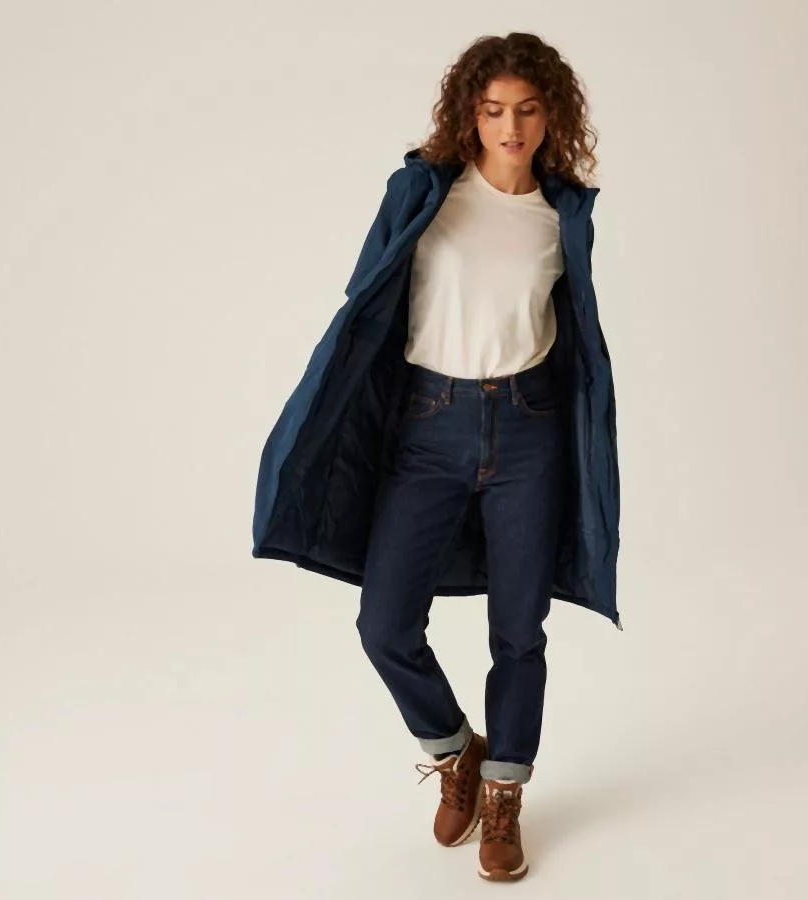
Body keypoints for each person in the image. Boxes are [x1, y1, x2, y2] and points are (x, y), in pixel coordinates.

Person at [251, 31, 621, 884]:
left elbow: (574, 335)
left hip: (527, 430)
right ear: (470, 115)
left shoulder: (562, 215)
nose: (510, 127)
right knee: (384, 625)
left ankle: (504, 793)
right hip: (428, 424)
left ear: (551, 116)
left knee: (519, 632)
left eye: (527, 110)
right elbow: (366, 301)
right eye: (493, 110)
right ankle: (456, 750)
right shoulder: (423, 192)